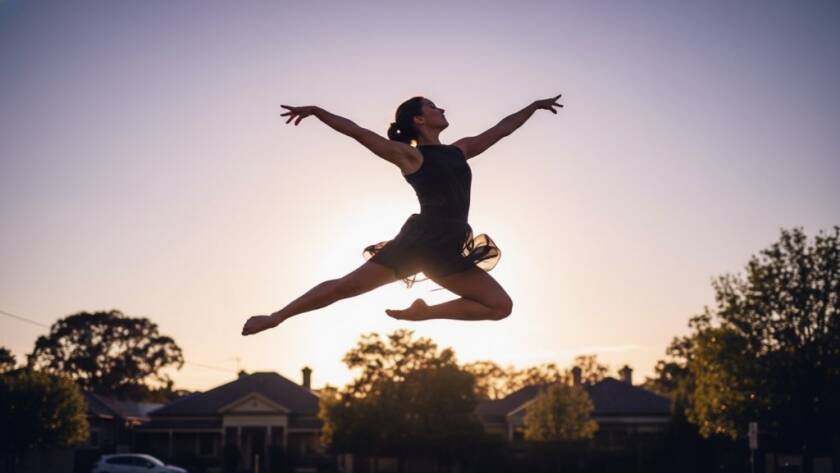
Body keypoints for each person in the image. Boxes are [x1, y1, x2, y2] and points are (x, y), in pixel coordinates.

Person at [242, 94, 563, 335]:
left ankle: (424, 313)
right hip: (422, 241)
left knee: (499, 307)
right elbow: (358, 132)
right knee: (346, 287)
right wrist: (317, 112)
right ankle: (276, 317)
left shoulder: (459, 150)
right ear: (419, 120)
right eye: (433, 106)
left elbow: (501, 129)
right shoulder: (410, 156)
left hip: (449, 247)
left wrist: (532, 107)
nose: (442, 109)